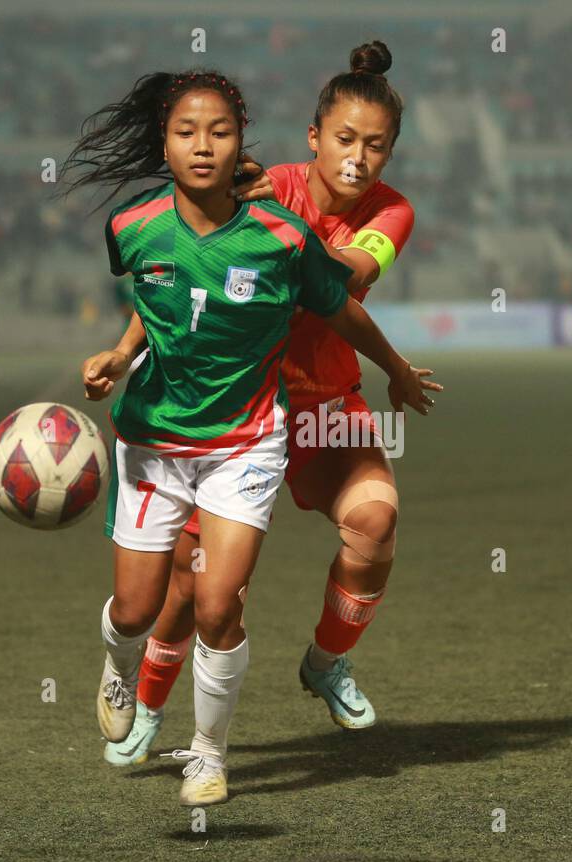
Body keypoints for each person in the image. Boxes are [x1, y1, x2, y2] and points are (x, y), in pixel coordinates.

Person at [68, 68, 436, 806]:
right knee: (179, 590)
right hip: (226, 404)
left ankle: (326, 664)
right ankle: (142, 706)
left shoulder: (388, 212)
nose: (359, 158)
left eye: (377, 146)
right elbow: (177, 280)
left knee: (375, 523)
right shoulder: (261, 184)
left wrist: (276, 229)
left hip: (322, 405)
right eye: (345, 140)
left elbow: (344, 275)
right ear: (314, 137)